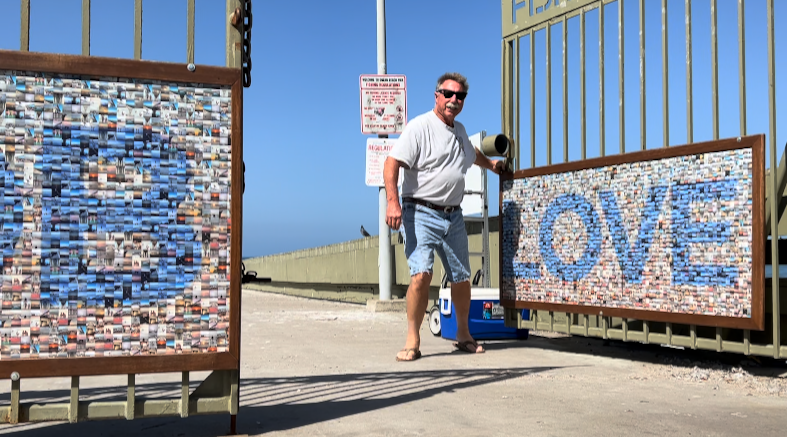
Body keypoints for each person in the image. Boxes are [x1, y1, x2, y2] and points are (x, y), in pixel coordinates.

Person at [383, 72, 505, 362]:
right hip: (420, 212)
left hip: (454, 217)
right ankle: (412, 339)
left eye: (459, 96)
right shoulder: (420, 126)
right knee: (422, 275)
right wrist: (392, 202)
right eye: (448, 94)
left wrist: (491, 165)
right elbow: (392, 163)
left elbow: (471, 153)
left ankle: (463, 334)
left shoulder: (460, 130)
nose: (453, 100)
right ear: (436, 95)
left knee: (461, 278)